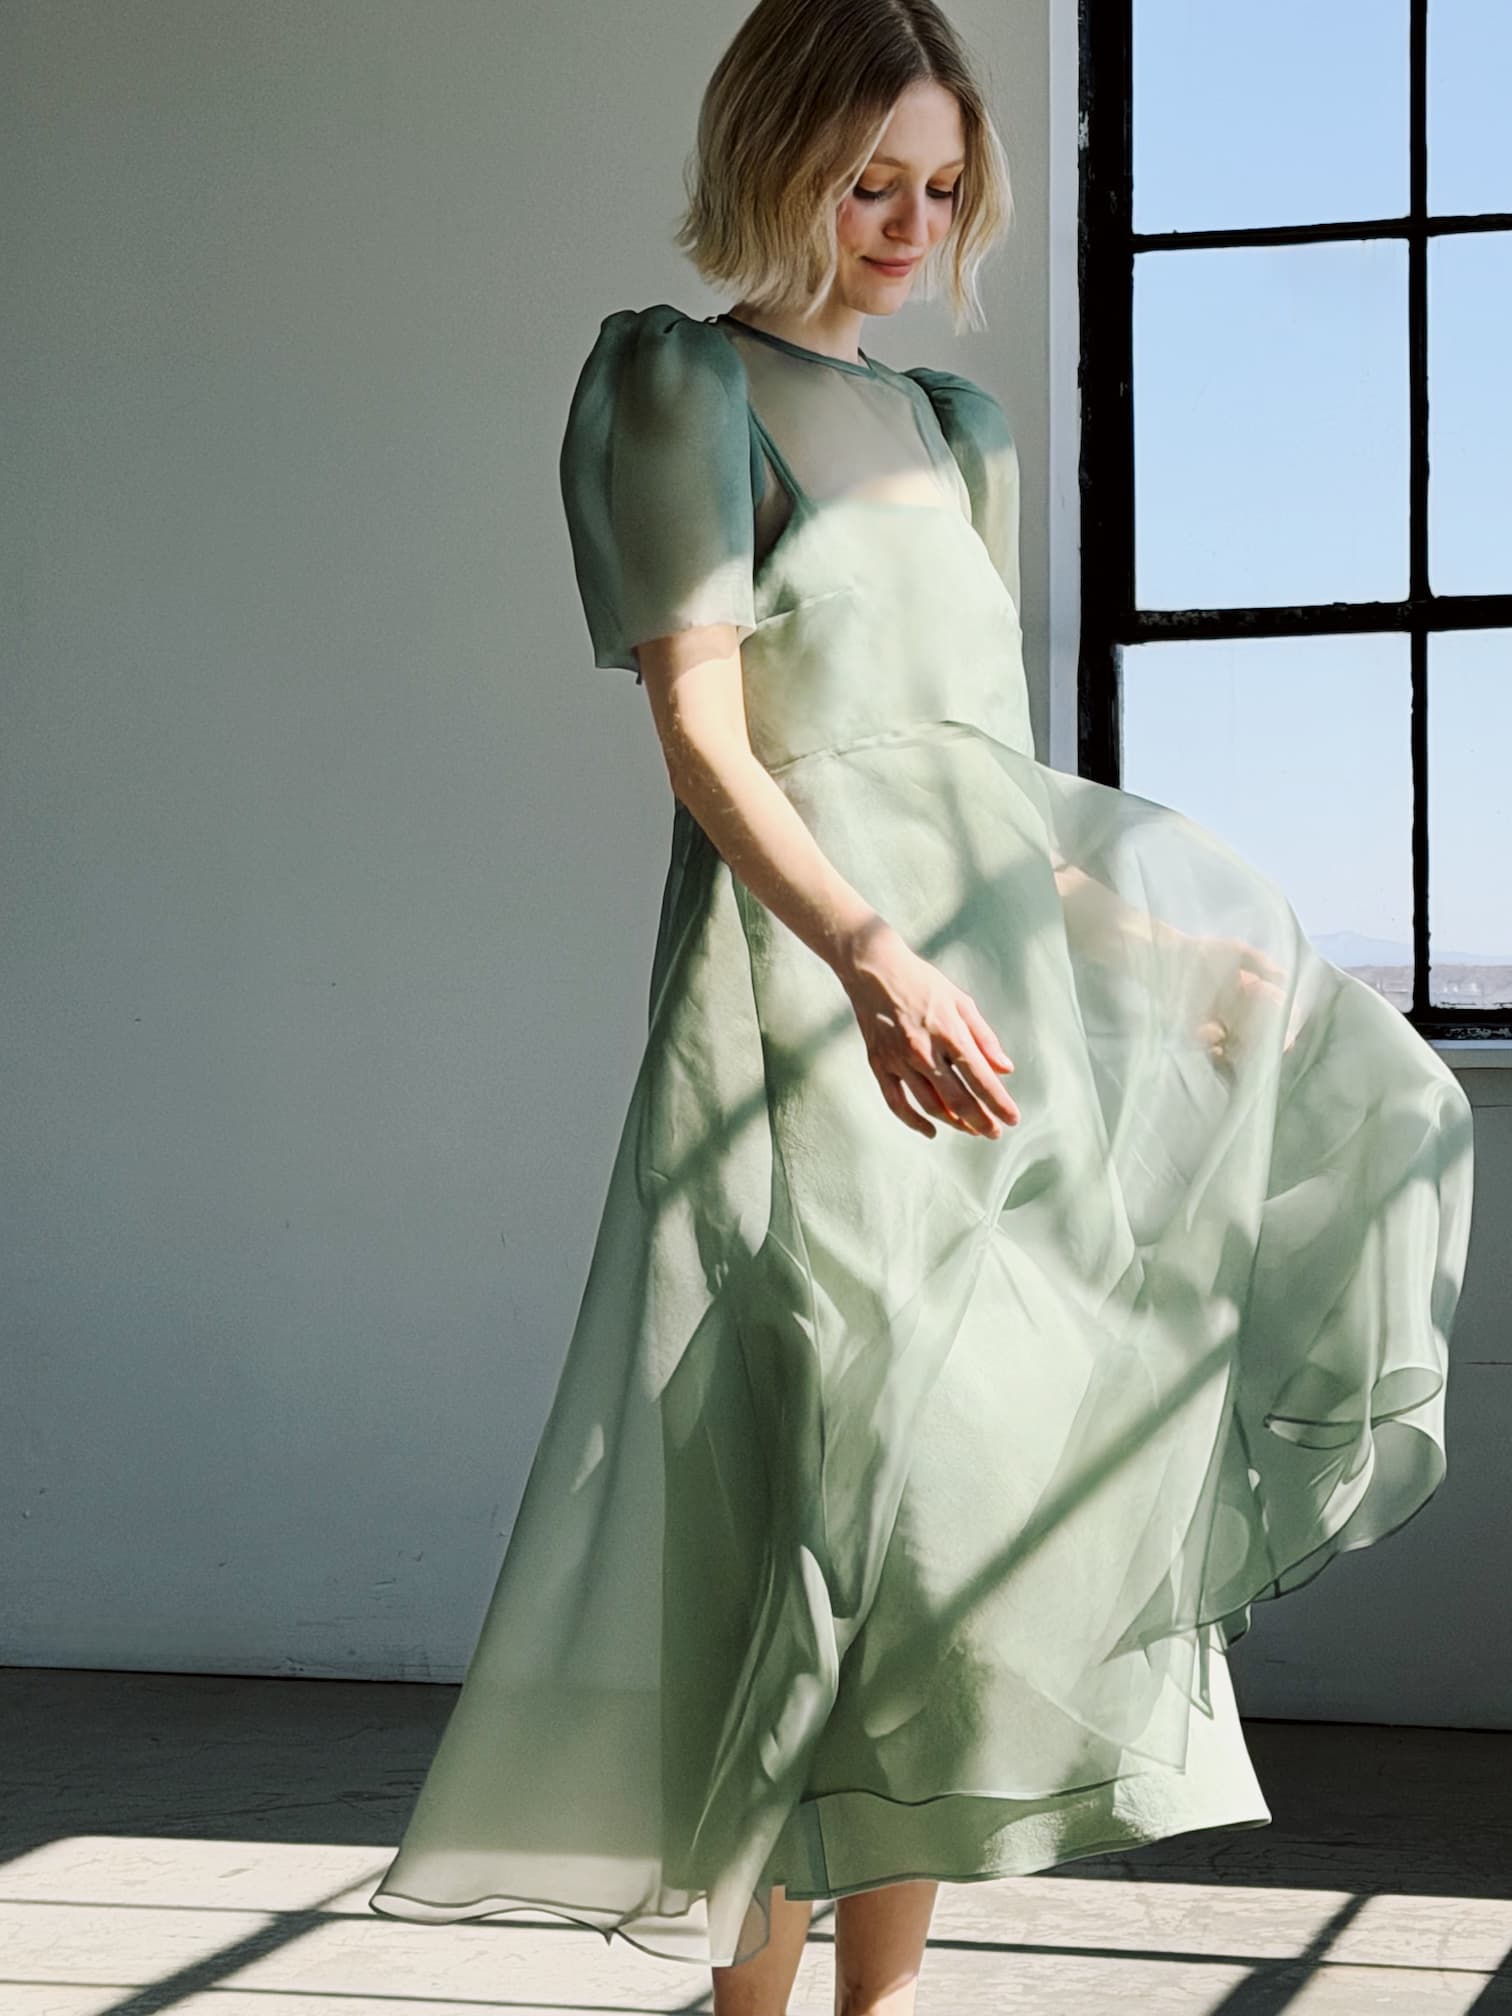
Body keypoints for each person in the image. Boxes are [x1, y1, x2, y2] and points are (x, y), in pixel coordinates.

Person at [369, 2, 1476, 2011]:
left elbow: (987, 804)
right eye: (867, 177)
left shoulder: (964, 437)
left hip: (985, 1045)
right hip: (797, 1030)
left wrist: (1158, 957)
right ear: (771, 157)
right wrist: (870, 957)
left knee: (959, 1556)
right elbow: (710, 742)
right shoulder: (677, 383)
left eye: (943, 184)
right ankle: (752, 2003)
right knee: (830, 1534)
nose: (908, 219)